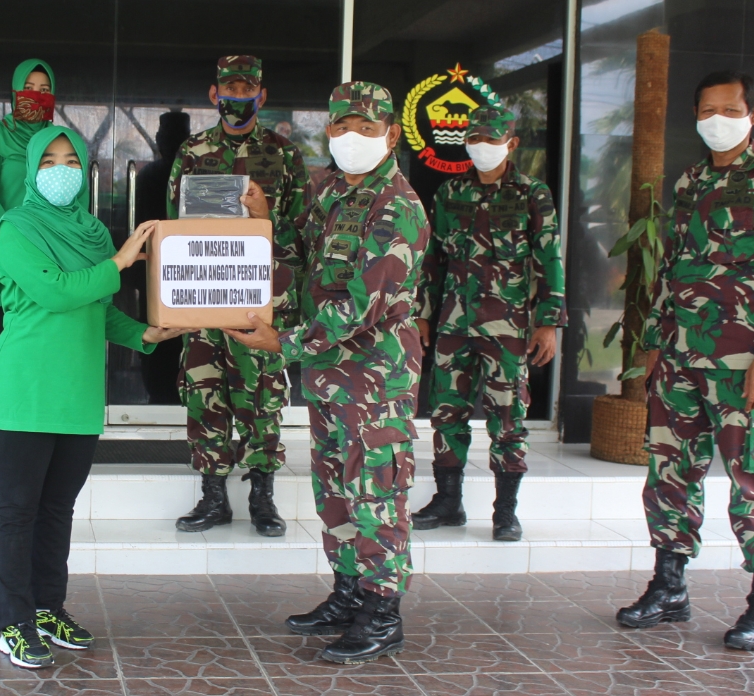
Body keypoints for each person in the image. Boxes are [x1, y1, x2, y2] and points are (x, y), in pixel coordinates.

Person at [225, 82, 430, 664]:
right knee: (335, 488)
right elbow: (303, 258)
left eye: (364, 128)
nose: (349, 138)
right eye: (340, 127)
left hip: (374, 378)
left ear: (391, 134)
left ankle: (383, 610)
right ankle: (347, 593)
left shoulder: (400, 207)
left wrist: (282, 341)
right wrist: (264, 223)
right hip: (327, 374)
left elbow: (364, 304)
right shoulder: (328, 190)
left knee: (377, 491)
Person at [0, 125, 188, 669]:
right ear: (30, 169)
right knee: (18, 510)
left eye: (69, 159)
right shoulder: (15, 227)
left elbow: (94, 308)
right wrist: (119, 264)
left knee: (57, 510)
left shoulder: (93, 233)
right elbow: (55, 291)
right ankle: (13, 622)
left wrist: (143, 334)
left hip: (75, 395)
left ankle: (48, 607)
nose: (59, 169)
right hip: (24, 390)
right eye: (47, 159)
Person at [617, 71, 754, 652]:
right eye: (707, 110)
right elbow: (673, 267)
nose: (717, 118)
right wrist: (653, 345)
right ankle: (669, 587)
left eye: (729, 108)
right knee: (670, 473)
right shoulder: (692, 180)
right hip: (679, 358)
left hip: (745, 364)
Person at [411, 106, 566, 542]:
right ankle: (447, 502)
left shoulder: (532, 193)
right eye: (473, 138)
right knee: (446, 411)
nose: (480, 147)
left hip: (508, 328)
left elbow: (549, 258)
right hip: (454, 323)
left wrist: (548, 322)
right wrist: (424, 314)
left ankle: (505, 511)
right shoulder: (449, 192)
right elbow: (433, 258)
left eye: (490, 139)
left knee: (508, 416)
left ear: (511, 143)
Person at [168, 55, 306, 537]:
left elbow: (303, 235)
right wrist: (176, 303)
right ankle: (212, 499)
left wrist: (267, 218)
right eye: (230, 88)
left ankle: (262, 498)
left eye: (247, 89)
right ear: (214, 94)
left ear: (261, 96)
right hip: (205, 296)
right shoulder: (192, 152)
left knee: (262, 396)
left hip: (258, 301)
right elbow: (173, 231)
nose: (238, 97)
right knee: (205, 395)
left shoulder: (285, 155)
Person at [0, 59, 59, 352]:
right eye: (28, 88)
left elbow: (75, 198)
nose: (36, 95)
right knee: (7, 350)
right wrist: (12, 240)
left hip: (50, 257)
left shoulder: (58, 144)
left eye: (44, 89)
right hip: (4, 255)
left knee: (44, 352)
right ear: (14, 92)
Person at [136, 110, 191, 404]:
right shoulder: (150, 175)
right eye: (164, 136)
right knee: (156, 333)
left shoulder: (191, 176)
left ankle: (165, 395)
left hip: (183, 269)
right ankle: (160, 396)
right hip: (155, 267)